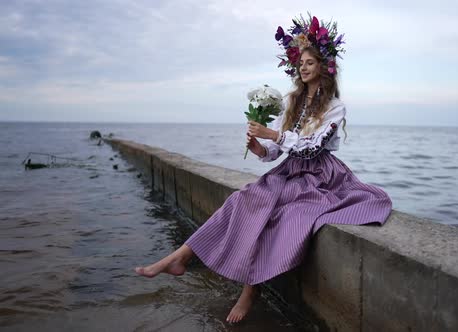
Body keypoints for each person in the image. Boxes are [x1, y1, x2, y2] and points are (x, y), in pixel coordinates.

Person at [134, 15, 393, 324]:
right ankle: (181, 256)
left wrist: (272, 135)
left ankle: (250, 291)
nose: (304, 67)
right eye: (301, 63)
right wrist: (261, 148)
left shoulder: (334, 106)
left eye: (311, 62)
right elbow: (278, 150)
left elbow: (312, 147)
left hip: (320, 176)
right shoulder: (293, 101)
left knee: (283, 217)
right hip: (288, 170)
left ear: (324, 66)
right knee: (241, 199)